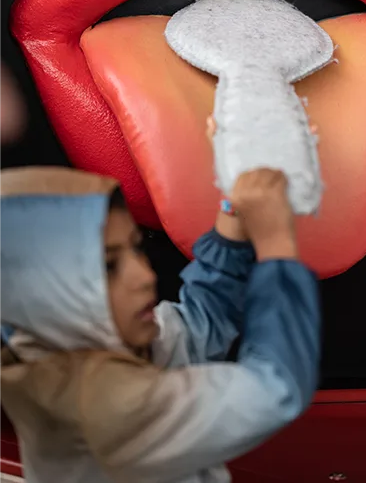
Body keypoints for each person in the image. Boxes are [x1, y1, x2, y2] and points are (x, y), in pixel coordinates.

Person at [0, 157, 321, 482]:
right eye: (109, 267)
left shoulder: (93, 339)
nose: (145, 276)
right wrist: (275, 243)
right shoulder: (98, 405)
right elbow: (274, 390)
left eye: (136, 249)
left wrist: (233, 210)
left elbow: (200, 323)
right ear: (40, 292)